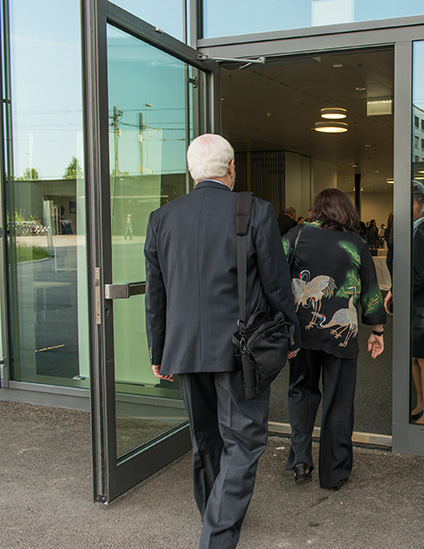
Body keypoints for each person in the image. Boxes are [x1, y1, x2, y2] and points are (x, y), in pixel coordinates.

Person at [144, 134, 300, 549]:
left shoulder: (161, 218)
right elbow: (276, 283)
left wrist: (158, 350)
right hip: (241, 351)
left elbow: (156, 293)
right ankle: (216, 535)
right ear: (231, 169)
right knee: (244, 442)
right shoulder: (255, 210)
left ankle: (214, 516)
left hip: (183, 349)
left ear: (192, 172)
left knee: (206, 440)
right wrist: (291, 333)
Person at [283, 188, 386, 490]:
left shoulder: (297, 235)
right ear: (347, 212)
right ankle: (334, 472)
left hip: (301, 333)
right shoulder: (355, 242)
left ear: (317, 209)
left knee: (301, 391)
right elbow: (370, 289)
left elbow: (271, 271)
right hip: (342, 337)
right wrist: (377, 331)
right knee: (339, 401)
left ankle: (300, 459)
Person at [384, 183, 424, 425]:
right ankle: (420, 404)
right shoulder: (415, 226)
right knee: (415, 355)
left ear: (420, 202)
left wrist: (399, 290)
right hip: (414, 300)